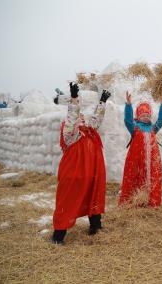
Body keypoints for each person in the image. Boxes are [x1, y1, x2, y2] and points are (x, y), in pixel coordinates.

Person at [52, 83, 111, 244]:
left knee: (94, 195)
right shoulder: (70, 133)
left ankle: (95, 227)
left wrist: (102, 102)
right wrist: (74, 99)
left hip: (92, 172)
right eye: (80, 118)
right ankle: (58, 236)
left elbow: (96, 120)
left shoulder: (89, 131)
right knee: (68, 200)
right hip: (74, 174)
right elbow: (72, 117)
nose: (83, 119)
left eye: (83, 118)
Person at [118, 91, 162, 207]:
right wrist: (128, 105)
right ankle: (135, 201)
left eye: (148, 116)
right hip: (137, 161)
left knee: (151, 179)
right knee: (136, 178)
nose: (146, 118)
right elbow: (128, 120)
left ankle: (150, 201)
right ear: (138, 116)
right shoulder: (135, 128)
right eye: (143, 116)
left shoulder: (153, 128)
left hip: (151, 162)